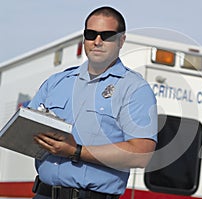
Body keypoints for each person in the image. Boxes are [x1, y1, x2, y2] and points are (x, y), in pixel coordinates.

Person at [28, 6, 158, 199]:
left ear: (121, 41)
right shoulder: (56, 82)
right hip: (43, 194)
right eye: (91, 34)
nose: (97, 41)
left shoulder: (135, 89)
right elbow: (27, 127)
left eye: (107, 35)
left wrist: (76, 151)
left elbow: (141, 154)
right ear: (84, 38)